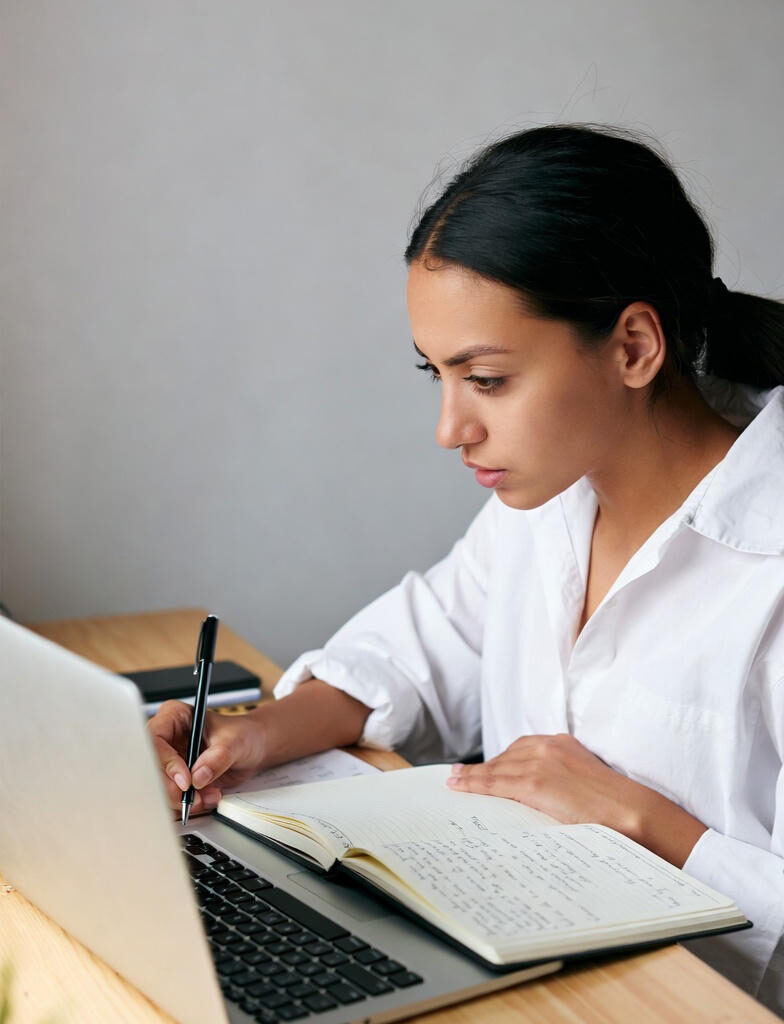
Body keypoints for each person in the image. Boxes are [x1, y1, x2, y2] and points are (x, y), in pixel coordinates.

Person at [149, 123, 784, 1013]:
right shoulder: (547, 500)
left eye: (485, 380)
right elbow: (418, 647)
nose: (450, 429)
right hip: (530, 980)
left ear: (635, 346)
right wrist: (257, 735)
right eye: (437, 376)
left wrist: (642, 820)